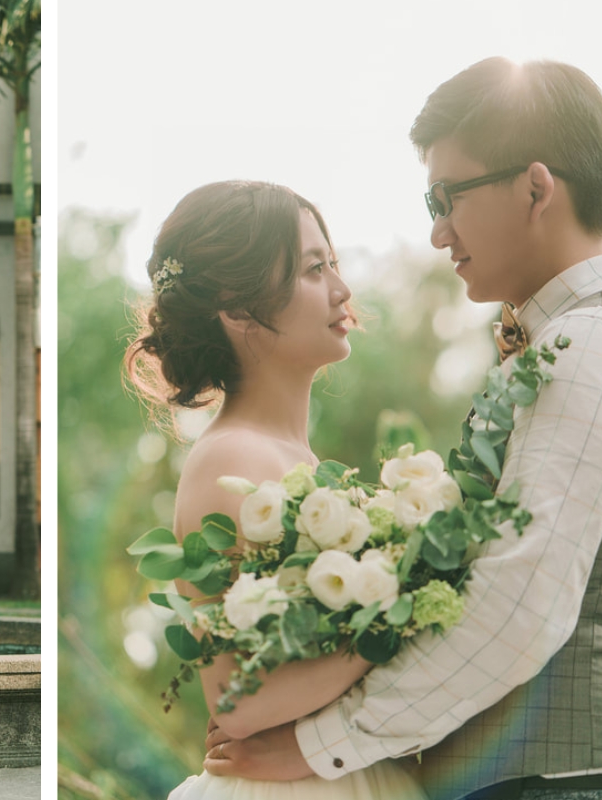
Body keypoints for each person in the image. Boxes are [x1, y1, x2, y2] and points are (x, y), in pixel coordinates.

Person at [204, 58, 602, 800]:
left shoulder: (595, 347)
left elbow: (520, 601)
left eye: (447, 197)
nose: (439, 231)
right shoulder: (563, 344)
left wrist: (323, 745)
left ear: (536, 188)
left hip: (575, 780)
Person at [126, 180, 425, 800]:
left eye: (333, 264)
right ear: (237, 309)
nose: (343, 290)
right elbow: (236, 701)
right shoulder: (230, 459)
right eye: (316, 269)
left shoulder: (300, 462)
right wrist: (399, 617)